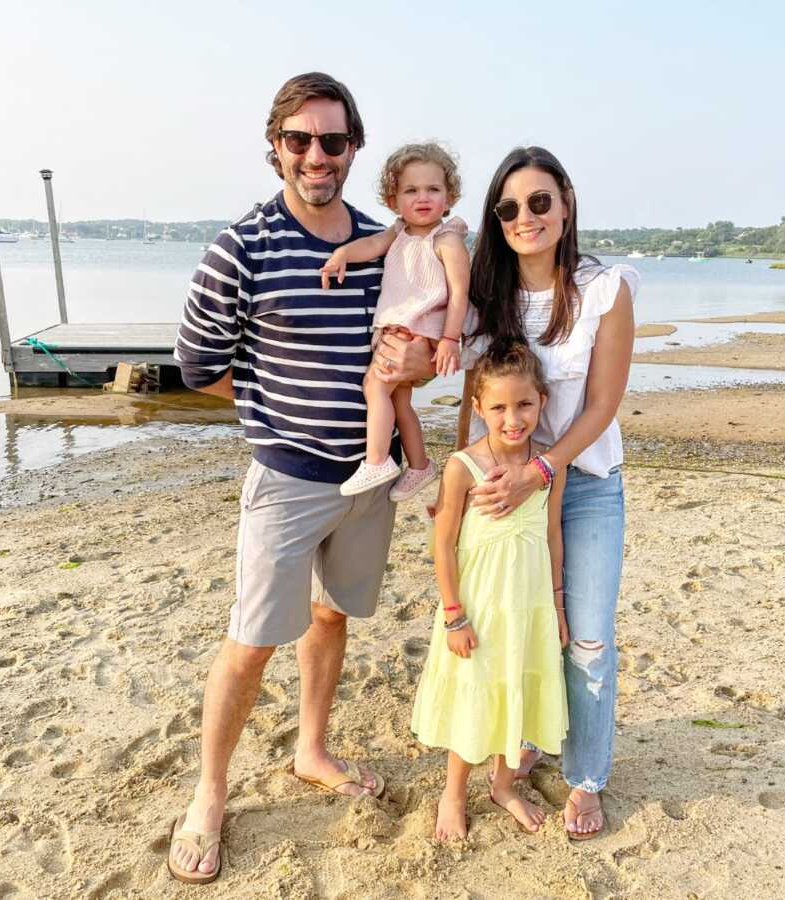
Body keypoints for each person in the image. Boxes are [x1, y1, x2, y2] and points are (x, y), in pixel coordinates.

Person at [167, 72, 435, 885]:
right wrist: (269, 402)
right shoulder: (241, 246)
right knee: (250, 644)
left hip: (369, 476)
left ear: (354, 149)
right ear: (275, 147)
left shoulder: (389, 242)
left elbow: (408, 343)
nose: (316, 155)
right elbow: (195, 365)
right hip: (285, 476)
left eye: (333, 140)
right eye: (300, 140)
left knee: (331, 617)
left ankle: (311, 749)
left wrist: (418, 366)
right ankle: (209, 795)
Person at [460, 146, 639, 841]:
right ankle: (526, 740)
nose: (525, 217)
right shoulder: (486, 299)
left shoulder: (606, 289)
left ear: (565, 202)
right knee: (521, 627)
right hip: (507, 491)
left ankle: (586, 776)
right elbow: (474, 406)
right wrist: (461, 482)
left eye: (539, 201)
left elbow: (603, 402)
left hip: (586, 484)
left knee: (586, 636)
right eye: (508, 207)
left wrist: (546, 468)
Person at [410, 343, 569, 840]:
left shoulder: (548, 466)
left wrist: (558, 605)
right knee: (475, 691)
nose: (512, 418)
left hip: (529, 604)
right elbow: (444, 544)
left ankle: (504, 785)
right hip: (477, 606)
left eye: (523, 404)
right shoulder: (464, 466)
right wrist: (454, 614)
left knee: (515, 685)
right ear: (478, 408)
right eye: (498, 407)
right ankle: (453, 793)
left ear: (541, 401)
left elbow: (552, 533)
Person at [320, 142, 475, 501]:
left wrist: (450, 339)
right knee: (400, 402)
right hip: (401, 330)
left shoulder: (447, 239)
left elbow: (459, 293)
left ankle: (376, 460)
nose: (423, 197)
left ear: (449, 196)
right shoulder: (400, 232)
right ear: (393, 200)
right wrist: (343, 254)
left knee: (374, 386)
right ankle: (419, 465)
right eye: (411, 190)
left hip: (417, 330)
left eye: (433, 189)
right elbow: (372, 245)